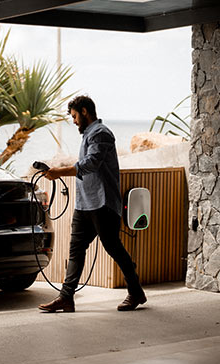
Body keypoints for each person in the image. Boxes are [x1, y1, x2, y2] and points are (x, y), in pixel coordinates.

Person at [38, 95, 146, 312]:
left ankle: (135, 292)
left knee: (113, 248)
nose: (74, 121)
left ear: (85, 111)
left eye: (75, 116)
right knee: (76, 250)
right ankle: (66, 298)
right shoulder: (90, 134)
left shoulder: (101, 134)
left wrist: (61, 171)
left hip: (102, 203)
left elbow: (92, 163)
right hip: (84, 204)